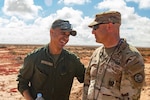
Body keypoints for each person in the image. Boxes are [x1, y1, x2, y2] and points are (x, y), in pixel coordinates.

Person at [82, 11, 145, 100]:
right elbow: (87, 84)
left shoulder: (131, 57)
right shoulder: (97, 53)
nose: (92, 32)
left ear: (109, 26)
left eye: (95, 27)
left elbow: (130, 97)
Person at [17, 19, 85, 100]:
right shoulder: (34, 58)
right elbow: (22, 83)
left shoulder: (72, 60)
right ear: (51, 32)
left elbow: (86, 77)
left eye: (68, 35)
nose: (66, 38)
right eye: (63, 33)